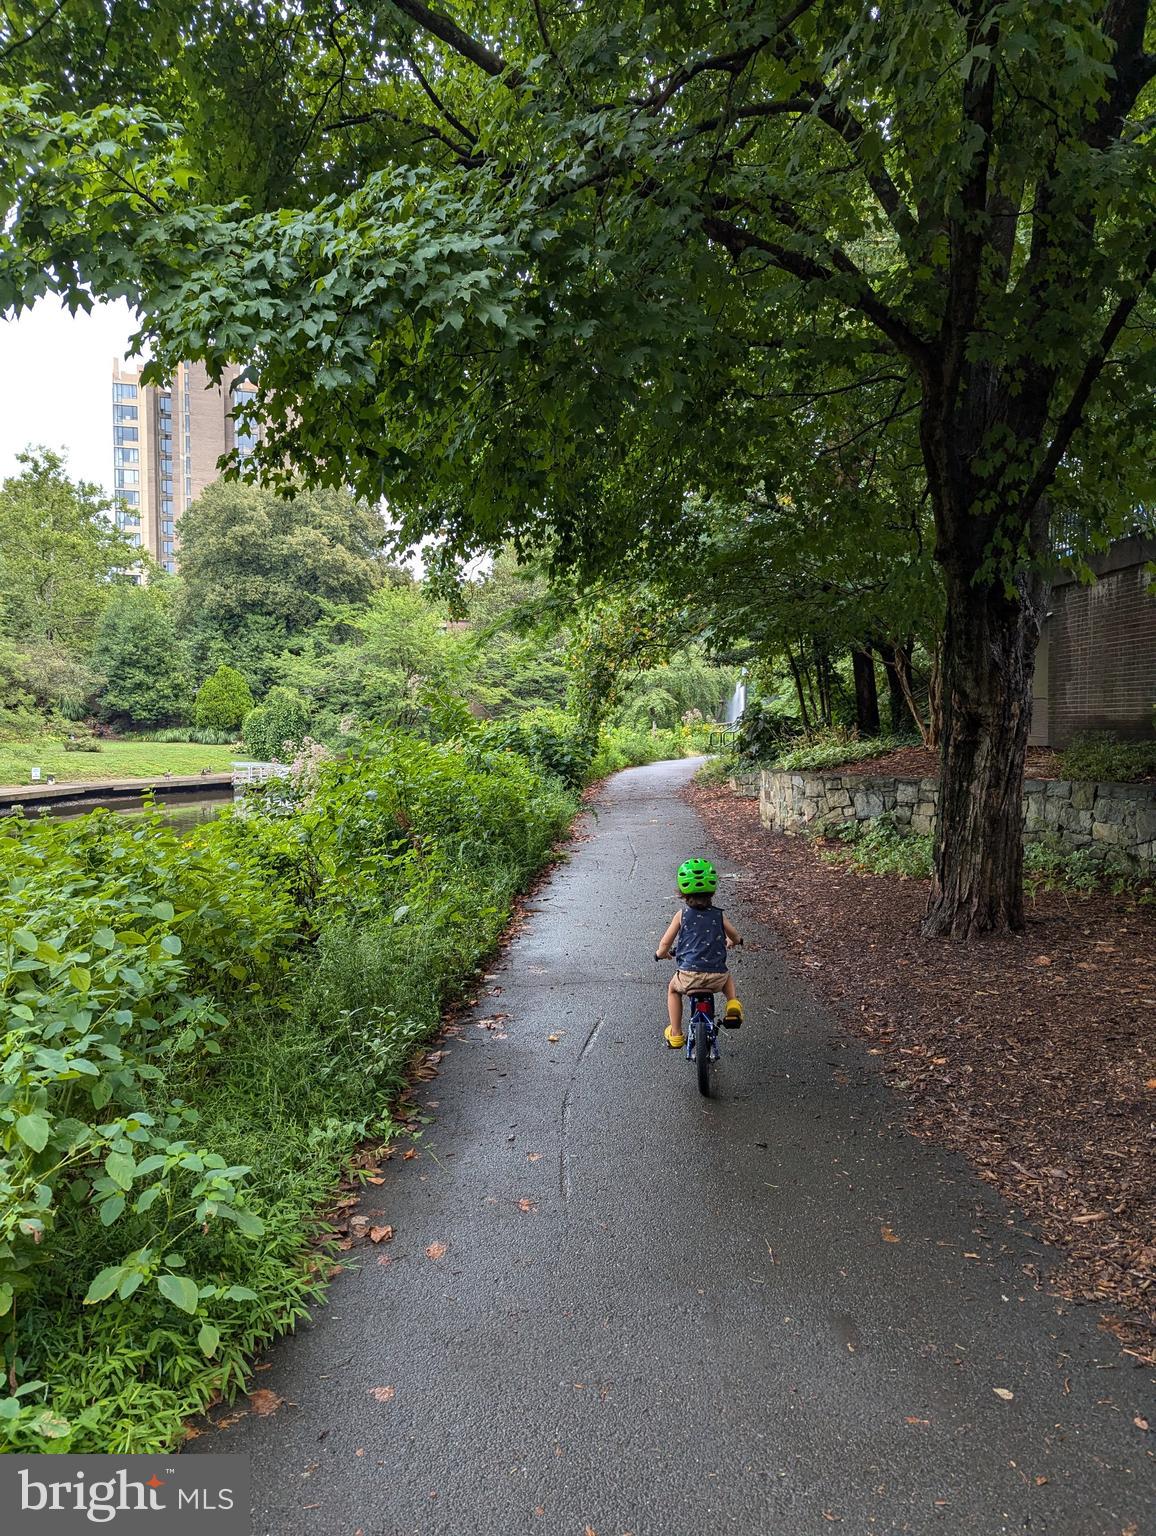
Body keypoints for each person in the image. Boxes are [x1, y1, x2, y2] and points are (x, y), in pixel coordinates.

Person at [655, 858, 743, 1049]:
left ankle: (676, 1034)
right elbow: (735, 936)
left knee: (672, 990)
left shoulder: (682, 915)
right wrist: (733, 941)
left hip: (688, 977)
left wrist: (661, 953)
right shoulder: (719, 915)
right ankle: (732, 1003)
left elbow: (665, 943)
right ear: (712, 890)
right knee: (727, 977)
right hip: (717, 977)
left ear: (682, 891)